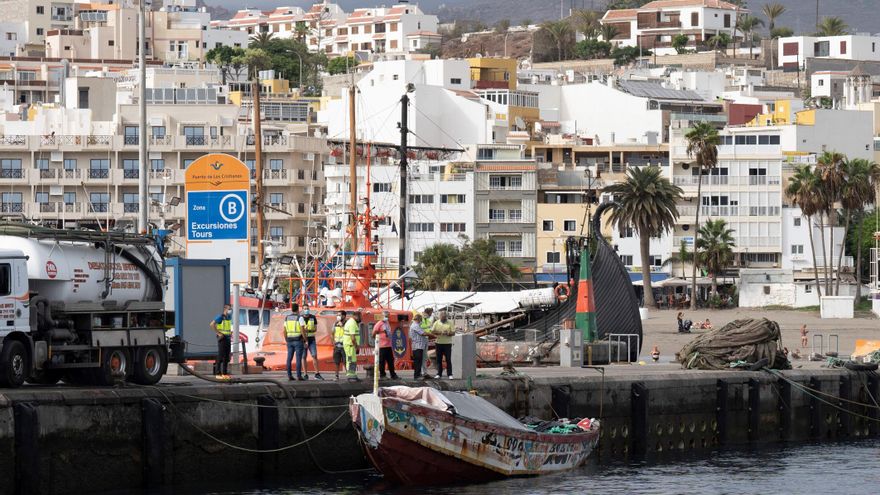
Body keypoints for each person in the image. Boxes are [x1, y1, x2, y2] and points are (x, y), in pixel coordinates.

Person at [300, 305, 324, 380]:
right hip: (303, 339)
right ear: (302, 310)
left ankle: (317, 373)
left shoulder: (313, 317)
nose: (306, 310)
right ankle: (305, 374)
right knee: (303, 357)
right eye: (305, 309)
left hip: (311, 339)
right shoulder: (300, 318)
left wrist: (307, 330)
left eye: (307, 308)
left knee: (314, 355)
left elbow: (315, 329)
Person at [372, 310, 398, 379]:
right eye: (386, 316)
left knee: (390, 361)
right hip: (382, 346)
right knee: (382, 361)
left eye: (388, 316)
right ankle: (382, 375)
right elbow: (373, 333)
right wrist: (377, 337)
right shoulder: (379, 323)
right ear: (382, 316)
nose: (387, 317)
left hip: (388, 345)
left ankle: (393, 374)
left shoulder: (387, 323)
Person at [210, 303, 233, 377]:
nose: (230, 310)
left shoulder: (228, 317)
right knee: (220, 356)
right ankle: (218, 373)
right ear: (225, 309)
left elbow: (227, 327)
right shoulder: (220, 317)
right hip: (222, 338)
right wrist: (218, 333)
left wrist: (230, 332)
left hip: (228, 338)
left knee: (227, 357)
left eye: (231, 309)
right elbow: (212, 324)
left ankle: (225, 373)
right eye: (229, 309)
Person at [430, 310, 454, 379]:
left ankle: (450, 374)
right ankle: (439, 374)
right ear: (439, 317)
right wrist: (440, 332)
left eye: (444, 317)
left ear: (446, 317)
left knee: (448, 359)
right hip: (438, 343)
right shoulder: (436, 323)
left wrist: (448, 333)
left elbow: (453, 333)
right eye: (442, 317)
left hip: (448, 343)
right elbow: (432, 331)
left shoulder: (450, 323)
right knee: (439, 359)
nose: (443, 318)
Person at [284, 304, 304, 381]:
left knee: (289, 358)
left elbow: (284, 330)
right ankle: (299, 376)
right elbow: (302, 330)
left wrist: (286, 339)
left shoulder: (287, 318)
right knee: (298, 359)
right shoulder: (300, 317)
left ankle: (289, 375)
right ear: (298, 309)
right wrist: (305, 339)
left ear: (292, 309)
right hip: (298, 340)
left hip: (289, 340)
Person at [343, 311, 361, 382]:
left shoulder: (351, 322)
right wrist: (356, 347)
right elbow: (353, 338)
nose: (361, 318)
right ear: (356, 316)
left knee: (352, 360)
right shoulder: (352, 323)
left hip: (350, 345)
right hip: (350, 345)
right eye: (360, 317)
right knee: (350, 360)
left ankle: (353, 375)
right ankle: (350, 376)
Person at [410, 314, 428, 379]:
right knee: (418, 361)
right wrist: (432, 334)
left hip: (419, 346)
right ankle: (417, 375)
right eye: (421, 320)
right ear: (418, 319)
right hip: (417, 346)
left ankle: (418, 374)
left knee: (419, 361)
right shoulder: (415, 326)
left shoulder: (416, 325)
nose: (421, 321)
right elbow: (423, 333)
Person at [332, 311, 346, 380]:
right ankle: (336, 376)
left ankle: (348, 375)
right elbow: (332, 333)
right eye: (337, 315)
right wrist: (333, 343)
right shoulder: (335, 324)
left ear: (344, 316)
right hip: (337, 346)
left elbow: (348, 332)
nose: (338, 316)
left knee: (346, 362)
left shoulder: (347, 324)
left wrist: (342, 326)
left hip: (344, 346)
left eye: (339, 315)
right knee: (336, 362)